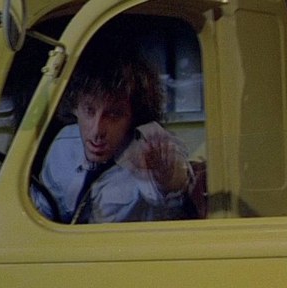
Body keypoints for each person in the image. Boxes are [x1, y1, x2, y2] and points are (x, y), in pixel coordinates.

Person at [32, 35, 194, 224]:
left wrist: (166, 177)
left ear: (135, 117)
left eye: (114, 115)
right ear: (75, 107)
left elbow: (178, 185)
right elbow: (43, 208)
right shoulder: (64, 143)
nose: (97, 130)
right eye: (89, 111)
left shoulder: (151, 146)